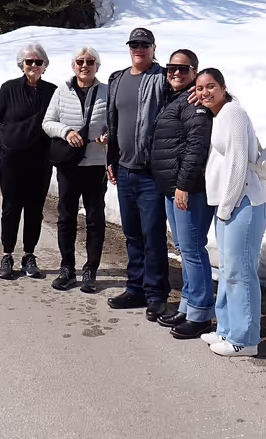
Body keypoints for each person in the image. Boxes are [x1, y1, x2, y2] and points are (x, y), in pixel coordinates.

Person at [195, 68, 266, 357]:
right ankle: (226, 329)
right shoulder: (219, 115)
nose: (205, 93)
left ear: (224, 87)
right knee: (228, 269)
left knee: (241, 271)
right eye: (200, 88)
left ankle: (245, 339)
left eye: (210, 86)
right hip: (231, 204)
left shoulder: (233, 113)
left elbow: (239, 162)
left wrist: (226, 207)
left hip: (245, 202)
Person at [105, 27, 171, 321]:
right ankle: (136, 289)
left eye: (144, 44)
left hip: (150, 173)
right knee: (132, 233)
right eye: (134, 44)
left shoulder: (162, 78)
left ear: (154, 48)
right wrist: (111, 158)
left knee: (153, 235)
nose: (139, 48)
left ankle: (157, 294)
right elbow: (114, 120)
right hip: (124, 170)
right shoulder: (117, 79)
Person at [150, 49, 215, 339]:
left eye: (183, 69)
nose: (175, 73)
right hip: (172, 189)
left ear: (194, 72)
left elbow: (196, 148)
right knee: (184, 249)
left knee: (192, 250)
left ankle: (201, 313)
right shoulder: (177, 98)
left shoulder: (195, 104)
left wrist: (184, 186)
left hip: (188, 191)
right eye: (171, 68)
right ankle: (189, 306)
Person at [0, 43, 57, 281]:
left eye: (38, 62)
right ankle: (7, 255)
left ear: (45, 66)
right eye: (29, 62)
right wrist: (3, 142)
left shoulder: (53, 91)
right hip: (12, 160)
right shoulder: (9, 89)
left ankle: (29, 255)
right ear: (22, 64)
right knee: (11, 208)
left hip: (40, 160)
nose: (34, 66)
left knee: (35, 210)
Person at [42, 46, 109, 293]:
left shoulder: (106, 92)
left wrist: (108, 136)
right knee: (66, 217)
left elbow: (116, 123)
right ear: (73, 66)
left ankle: (91, 270)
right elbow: (47, 123)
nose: (84, 65)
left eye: (90, 61)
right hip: (69, 165)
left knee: (95, 218)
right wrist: (66, 132)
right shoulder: (62, 92)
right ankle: (67, 268)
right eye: (80, 61)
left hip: (95, 165)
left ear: (97, 67)